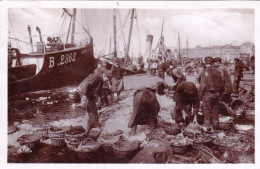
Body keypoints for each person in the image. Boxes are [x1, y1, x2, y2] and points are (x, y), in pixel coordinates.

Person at [199, 56, 223, 130]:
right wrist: (220, 94)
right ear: (212, 63)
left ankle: (208, 126)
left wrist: (199, 96)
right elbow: (222, 84)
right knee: (215, 109)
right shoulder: (218, 71)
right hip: (217, 93)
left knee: (206, 110)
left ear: (205, 62)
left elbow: (202, 85)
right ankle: (215, 126)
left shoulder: (204, 71)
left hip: (208, 93)